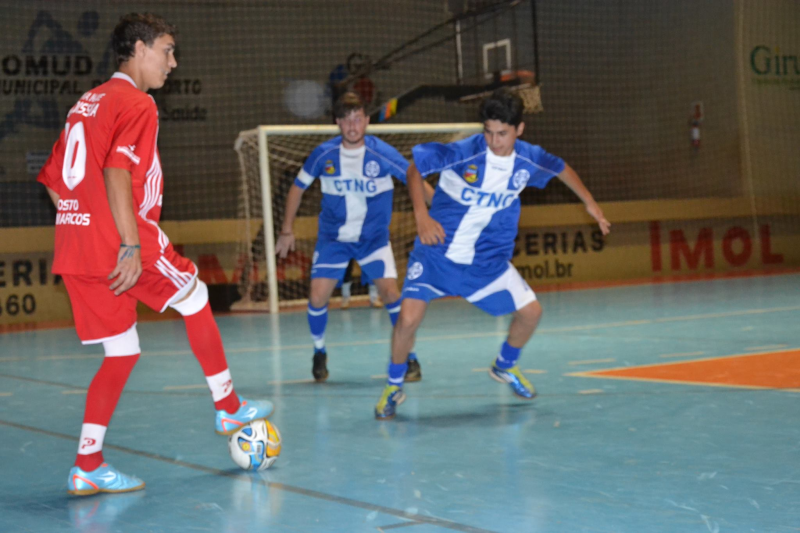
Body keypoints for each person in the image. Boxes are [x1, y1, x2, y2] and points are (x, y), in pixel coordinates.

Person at [36, 13, 273, 496]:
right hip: (125, 241)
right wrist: (125, 243)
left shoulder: (86, 102)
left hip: (76, 244)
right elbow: (116, 173)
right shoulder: (136, 102)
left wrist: (87, 225)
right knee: (195, 295)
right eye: (166, 49)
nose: (172, 61)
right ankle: (227, 408)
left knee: (121, 352)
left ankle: (87, 464)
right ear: (139, 49)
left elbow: (57, 183)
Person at [374, 88, 611, 419]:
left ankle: (504, 366)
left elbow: (561, 168)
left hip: (486, 262)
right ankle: (393, 386)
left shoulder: (528, 159)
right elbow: (416, 168)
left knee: (531, 313)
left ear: (519, 130)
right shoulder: (465, 152)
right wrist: (421, 215)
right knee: (408, 320)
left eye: (502, 133)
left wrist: (590, 203)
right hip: (436, 254)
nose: (494, 140)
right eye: (488, 131)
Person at [276, 91, 430, 383]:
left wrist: (439, 210)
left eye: (357, 118)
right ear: (338, 123)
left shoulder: (381, 153)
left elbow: (413, 178)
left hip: (373, 240)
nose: (352, 125)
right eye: (346, 119)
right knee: (317, 297)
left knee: (391, 295)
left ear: (367, 121)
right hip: (333, 240)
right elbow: (297, 188)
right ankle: (319, 352)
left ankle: (409, 357)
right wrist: (287, 230)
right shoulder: (324, 154)